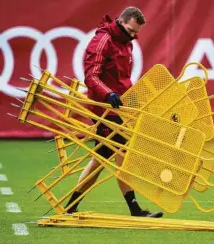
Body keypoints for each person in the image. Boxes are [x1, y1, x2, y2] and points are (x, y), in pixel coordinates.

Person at [65, 7, 163, 218]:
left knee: (101, 158)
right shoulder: (103, 40)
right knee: (122, 155)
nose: (134, 36)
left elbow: (122, 80)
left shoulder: (126, 43)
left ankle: (71, 205)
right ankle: (135, 209)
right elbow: (91, 76)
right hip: (106, 109)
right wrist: (108, 94)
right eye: (130, 30)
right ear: (121, 22)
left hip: (119, 107)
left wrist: (131, 98)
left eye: (136, 33)